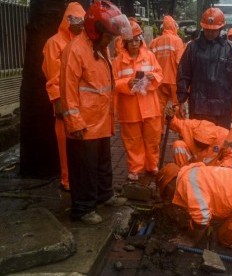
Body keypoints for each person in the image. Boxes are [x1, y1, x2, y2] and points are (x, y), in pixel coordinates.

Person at [60, 0, 131, 224]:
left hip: (99, 120)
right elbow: (68, 89)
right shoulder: (76, 50)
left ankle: (104, 195)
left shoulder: (98, 49)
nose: (111, 41)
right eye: (109, 36)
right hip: (84, 124)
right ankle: (82, 209)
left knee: (102, 162)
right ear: (95, 30)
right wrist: (75, 122)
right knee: (84, 169)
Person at [112, 19, 164, 181]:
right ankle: (135, 168)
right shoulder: (118, 61)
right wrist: (127, 83)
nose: (134, 44)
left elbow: (159, 74)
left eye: (137, 40)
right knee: (132, 140)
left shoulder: (150, 56)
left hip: (150, 106)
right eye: (131, 41)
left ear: (140, 40)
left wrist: (152, 76)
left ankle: (152, 165)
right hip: (130, 108)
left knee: (153, 138)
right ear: (125, 43)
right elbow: (113, 83)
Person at [42, 2, 85, 191]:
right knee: (65, 145)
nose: (81, 26)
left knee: (80, 146)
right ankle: (67, 181)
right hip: (65, 104)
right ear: (68, 21)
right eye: (78, 22)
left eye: (83, 22)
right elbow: (53, 77)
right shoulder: (54, 43)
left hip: (81, 104)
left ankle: (80, 179)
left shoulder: (82, 42)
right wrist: (58, 102)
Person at [177, 7, 232, 129]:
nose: (210, 32)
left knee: (220, 143)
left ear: (221, 28)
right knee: (198, 142)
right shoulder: (192, 48)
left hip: (222, 108)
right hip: (199, 107)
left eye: (214, 30)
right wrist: (181, 100)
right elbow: (183, 75)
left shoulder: (231, 49)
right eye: (207, 29)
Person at [164, 106, 232, 168]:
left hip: (210, 168)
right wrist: (171, 117)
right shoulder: (190, 126)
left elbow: (230, 155)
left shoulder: (224, 135)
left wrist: (223, 168)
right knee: (178, 145)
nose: (200, 147)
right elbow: (176, 123)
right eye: (198, 143)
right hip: (191, 163)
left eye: (203, 145)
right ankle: (182, 172)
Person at [149, 15, 184, 126]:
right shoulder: (177, 41)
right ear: (174, 26)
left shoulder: (154, 42)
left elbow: (149, 62)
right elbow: (180, 63)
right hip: (174, 80)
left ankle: (159, 132)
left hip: (159, 81)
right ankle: (181, 132)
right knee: (178, 106)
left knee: (159, 108)